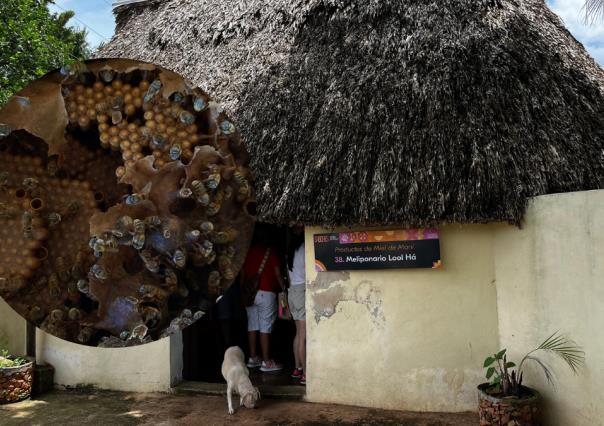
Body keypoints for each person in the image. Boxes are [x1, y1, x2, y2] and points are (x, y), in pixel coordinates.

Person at [241, 228, 285, 372]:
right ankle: (266, 361)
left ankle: (253, 358)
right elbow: (278, 274)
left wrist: (243, 291)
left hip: (250, 294)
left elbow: (242, 274)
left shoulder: (248, 252)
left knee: (252, 325)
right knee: (265, 327)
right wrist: (285, 289)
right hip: (266, 293)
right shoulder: (270, 252)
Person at [287, 225, 306, 385]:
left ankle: (297, 368)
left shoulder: (290, 251)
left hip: (292, 291)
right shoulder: (304, 250)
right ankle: (306, 374)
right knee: (303, 335)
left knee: (298, 333)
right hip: (301, 291)